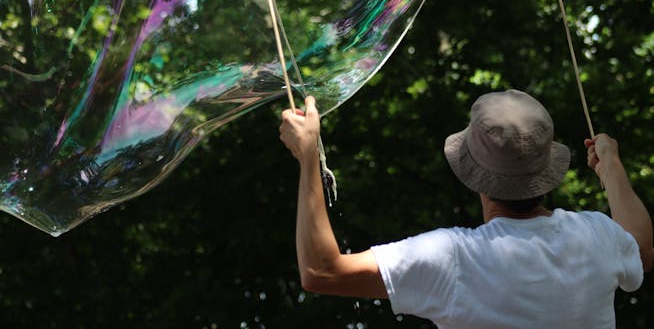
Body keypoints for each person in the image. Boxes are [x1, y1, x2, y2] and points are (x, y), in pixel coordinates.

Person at [279, 89, 653, 328]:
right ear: (547, 171)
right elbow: (642, 247)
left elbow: (321, 272)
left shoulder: (455, 258)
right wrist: (611, 166)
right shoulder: (594, 237)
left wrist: (308, 156)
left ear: (473, 177)